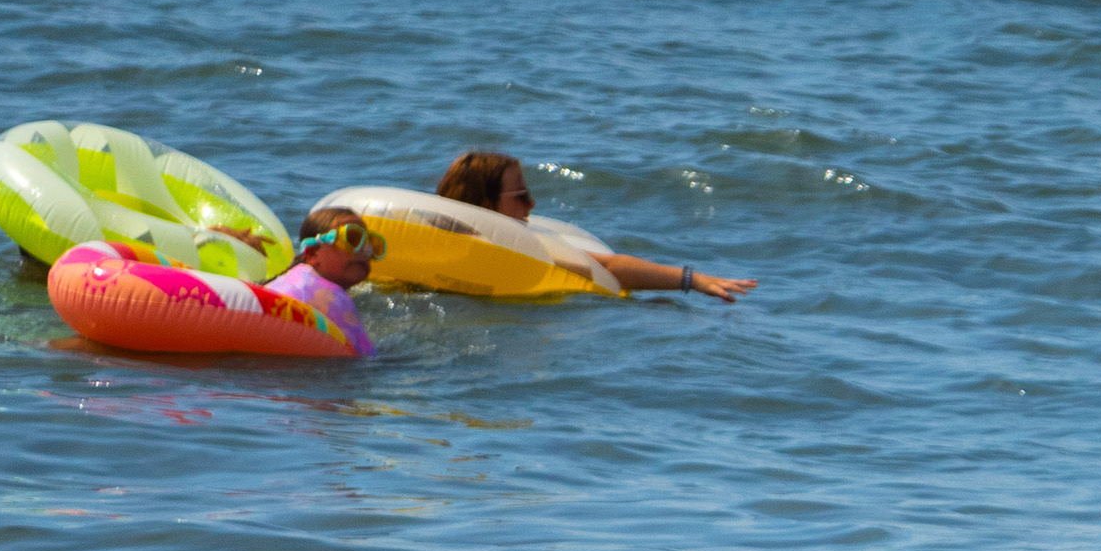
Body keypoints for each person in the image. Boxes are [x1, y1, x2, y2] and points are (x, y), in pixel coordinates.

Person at [433, 150, 753, 301]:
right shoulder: (512, 251)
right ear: (487, 206)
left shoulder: (434, 240)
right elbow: (606, 268)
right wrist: (691, 279)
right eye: (521, 195)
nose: (532, 205)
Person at [256, 210, 381, 355]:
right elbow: (365, 359)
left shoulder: (292, 279)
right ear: (313, 253)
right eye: (352, 239)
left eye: (370, 242)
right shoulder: (331, 297)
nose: (366, 250)